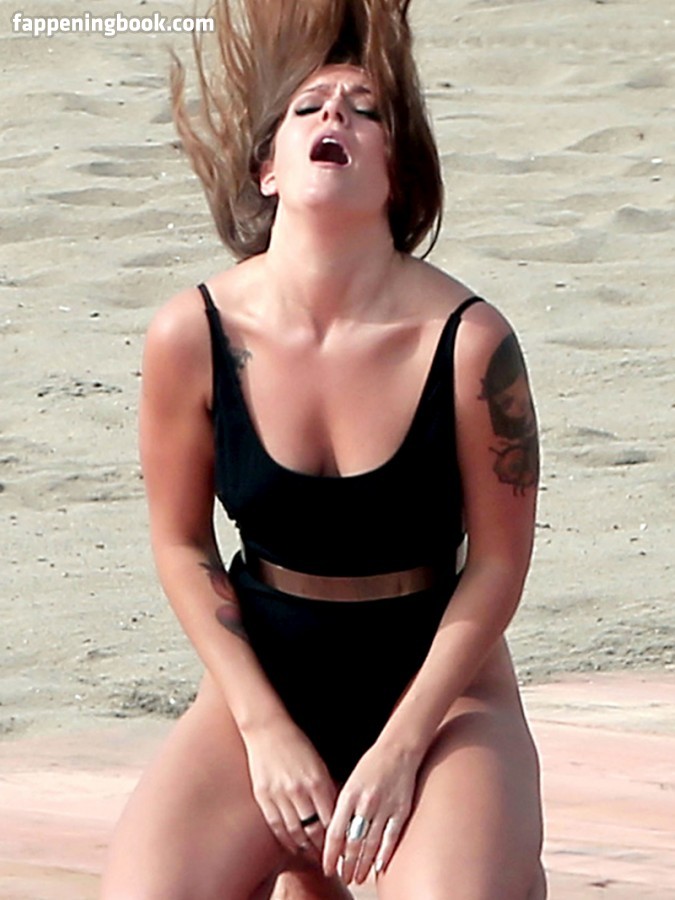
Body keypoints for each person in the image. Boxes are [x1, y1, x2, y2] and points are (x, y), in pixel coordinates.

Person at [100, 0, 546, 897]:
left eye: (365, 110)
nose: (334, 113)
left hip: (441, 698)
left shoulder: (469, 343)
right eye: (307, 107)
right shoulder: (191, 333)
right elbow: (181, 546)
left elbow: (498, 566)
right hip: (263, 683)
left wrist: (399, 748)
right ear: (267, 168)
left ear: (396, 176)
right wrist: (263, 729)